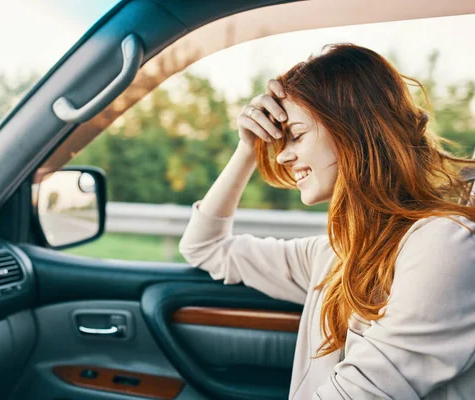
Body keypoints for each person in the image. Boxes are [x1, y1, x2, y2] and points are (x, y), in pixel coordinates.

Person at [178, 43, 475, 399]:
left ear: (356, 130)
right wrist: (247, 149)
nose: (283, 155)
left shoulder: (444, 244)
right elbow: (204, 248)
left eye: (297, 135)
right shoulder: (337, 256)